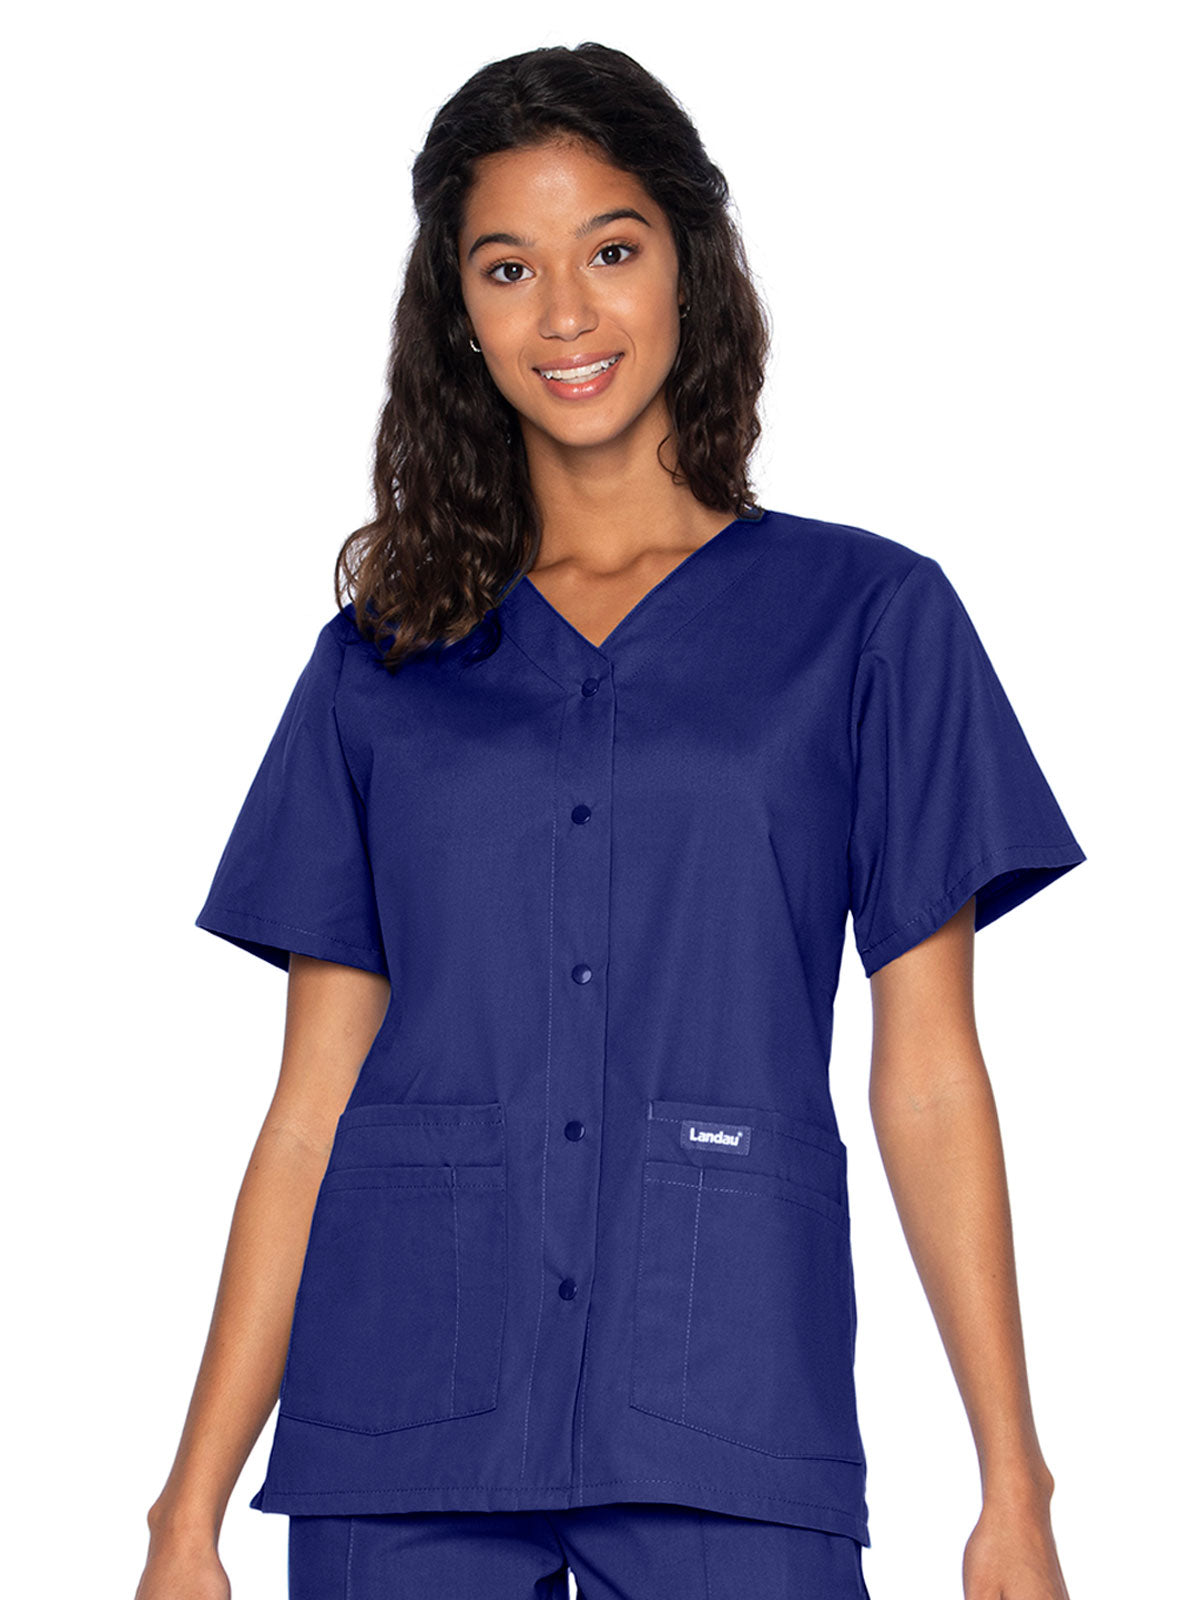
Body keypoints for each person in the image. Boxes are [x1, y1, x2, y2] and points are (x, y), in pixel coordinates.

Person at [136, 40, 1086, 1600]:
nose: (566, 313)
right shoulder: (381, 659)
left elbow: (927, 1073)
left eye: (613, 250)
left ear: (690, 265)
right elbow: (311, 1108)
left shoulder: (867, 621)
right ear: (459, 313)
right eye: (509, 267)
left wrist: (1013, 1481)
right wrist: (186, 1516)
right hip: (405, 1418)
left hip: (729, 1402)